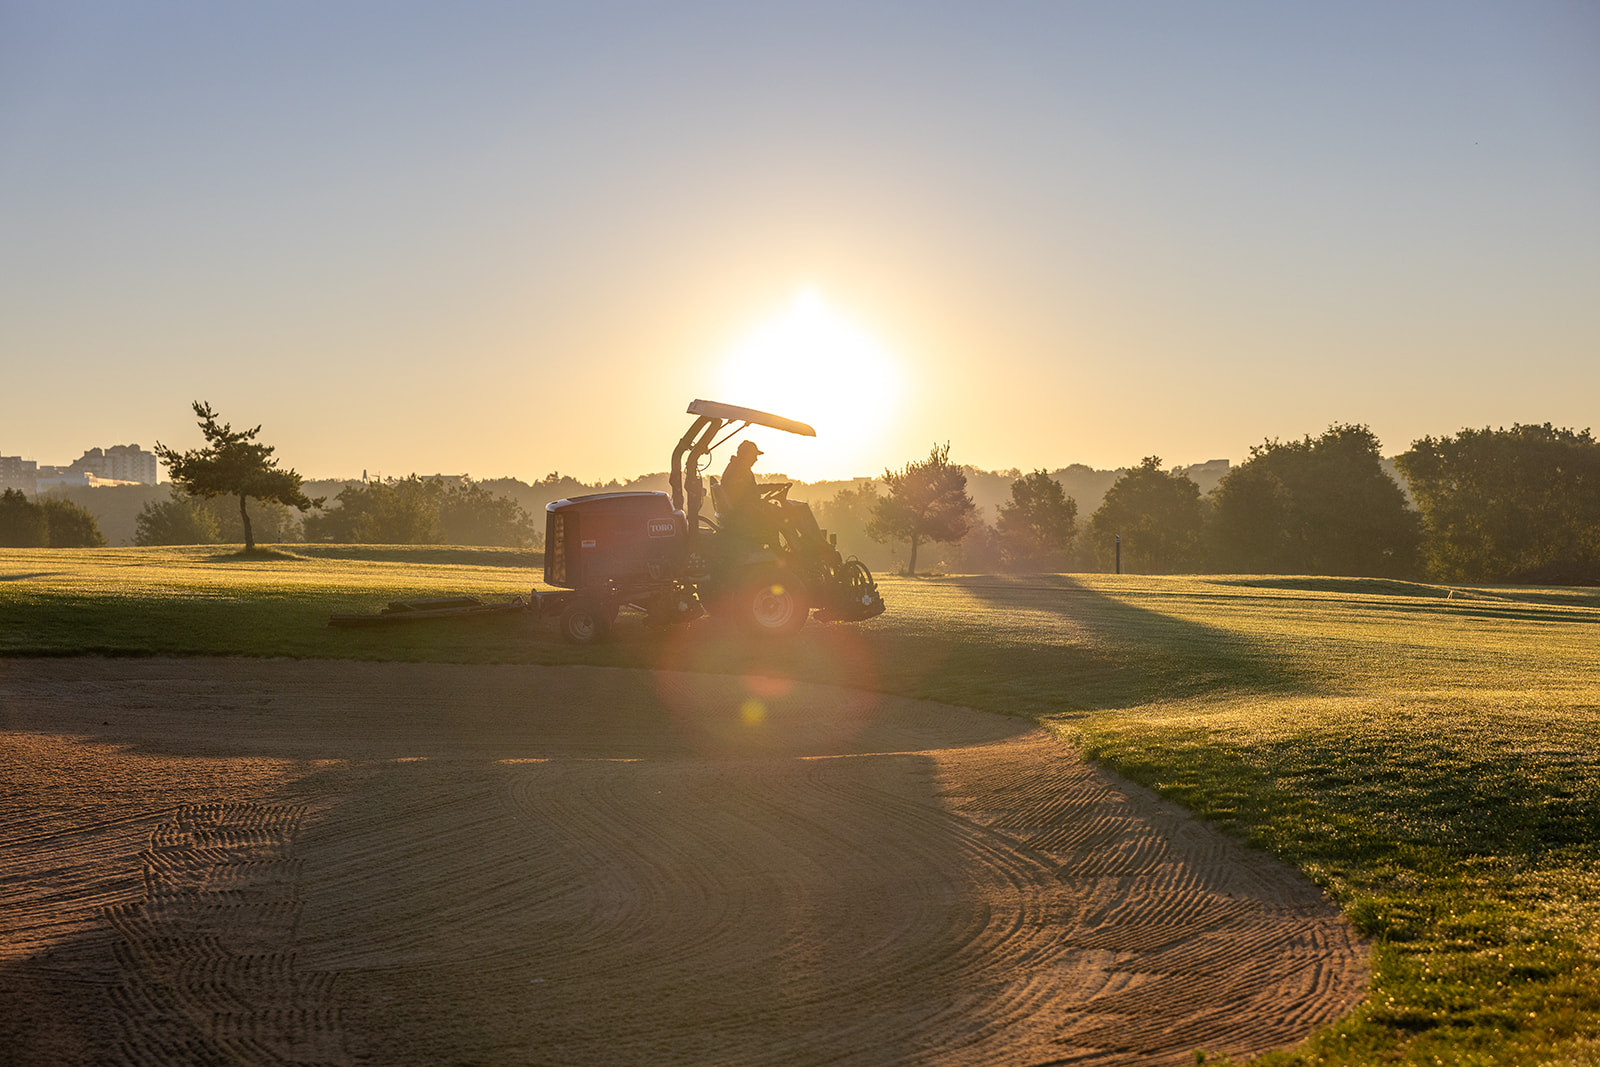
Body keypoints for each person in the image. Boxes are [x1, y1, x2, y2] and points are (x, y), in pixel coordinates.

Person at [719, 439, 772, 544]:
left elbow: (751, 489)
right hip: (743, 515)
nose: (756, 459)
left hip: (743, 512)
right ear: (746, 455)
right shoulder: (739, 471)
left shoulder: (737, 468)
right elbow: (749, 493)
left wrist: (773, 487)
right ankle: (779, 551)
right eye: (754, 455)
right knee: (778, 514)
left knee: (773, 510)